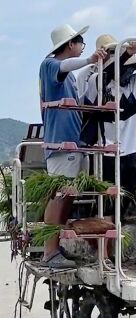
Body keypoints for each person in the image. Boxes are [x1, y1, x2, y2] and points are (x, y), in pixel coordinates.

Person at [39, 24, 107, 267]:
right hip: (60, 145)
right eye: (81, 44)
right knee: (59, 196)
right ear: (71, 44)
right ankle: (50, 251)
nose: (82, 49)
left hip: (71, 144)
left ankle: (54, 248)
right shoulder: (50, 65)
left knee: (66, 197)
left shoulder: (67, 76)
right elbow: (65, 65)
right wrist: (90, 60)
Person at [82, 35, 136, 218]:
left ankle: (120, 237)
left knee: (125, 200)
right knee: (104, 203)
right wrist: (124, 55)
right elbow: (106, 77)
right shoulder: (96, 81)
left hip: (129, 152)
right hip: (104, 152)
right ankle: (103, 242)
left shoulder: (134, 83)